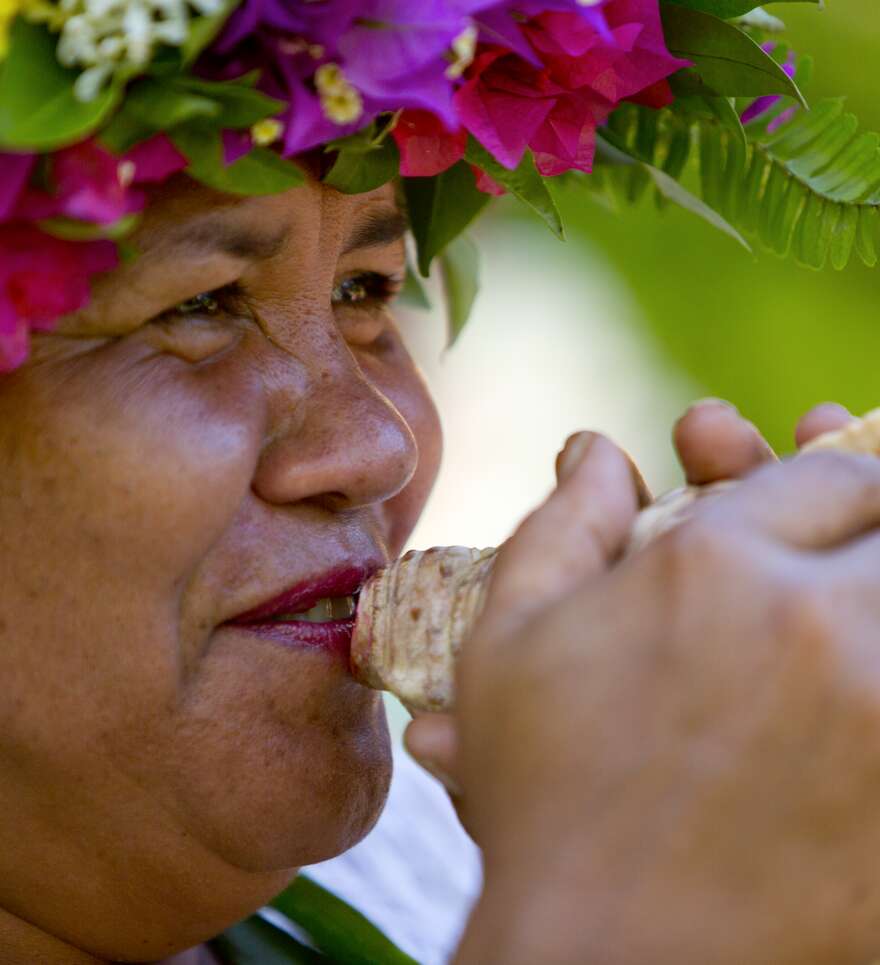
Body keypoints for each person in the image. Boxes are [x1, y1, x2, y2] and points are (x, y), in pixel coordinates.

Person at [3, 161, 878, 965]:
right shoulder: (566, 895)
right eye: (199, 305)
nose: (382, 445)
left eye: (363, 289)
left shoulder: (449, 865)